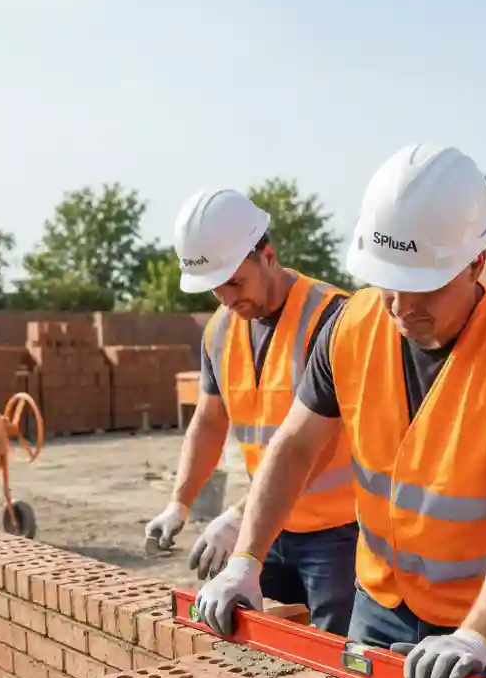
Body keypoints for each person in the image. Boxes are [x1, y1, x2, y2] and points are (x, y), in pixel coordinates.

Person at [193, 144, 486, 678]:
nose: (402, 310)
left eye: (426, 290)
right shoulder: (350, 327)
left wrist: (474, 637)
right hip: (381, 602)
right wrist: (246, 558)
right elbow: (295, 448)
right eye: (390, 287)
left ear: (476, 263)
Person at [144, 188, 359, 636]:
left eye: (234, 281)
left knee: (336, 659)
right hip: (268, 527)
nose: (225, 297)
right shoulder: (220, 332)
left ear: (268, 255)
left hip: (339, 534)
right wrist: (179, 502)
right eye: (214, 287)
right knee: (267, 644)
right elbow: (208, 422)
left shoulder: (334, 320)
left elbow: (320, 442)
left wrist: (239, 514)